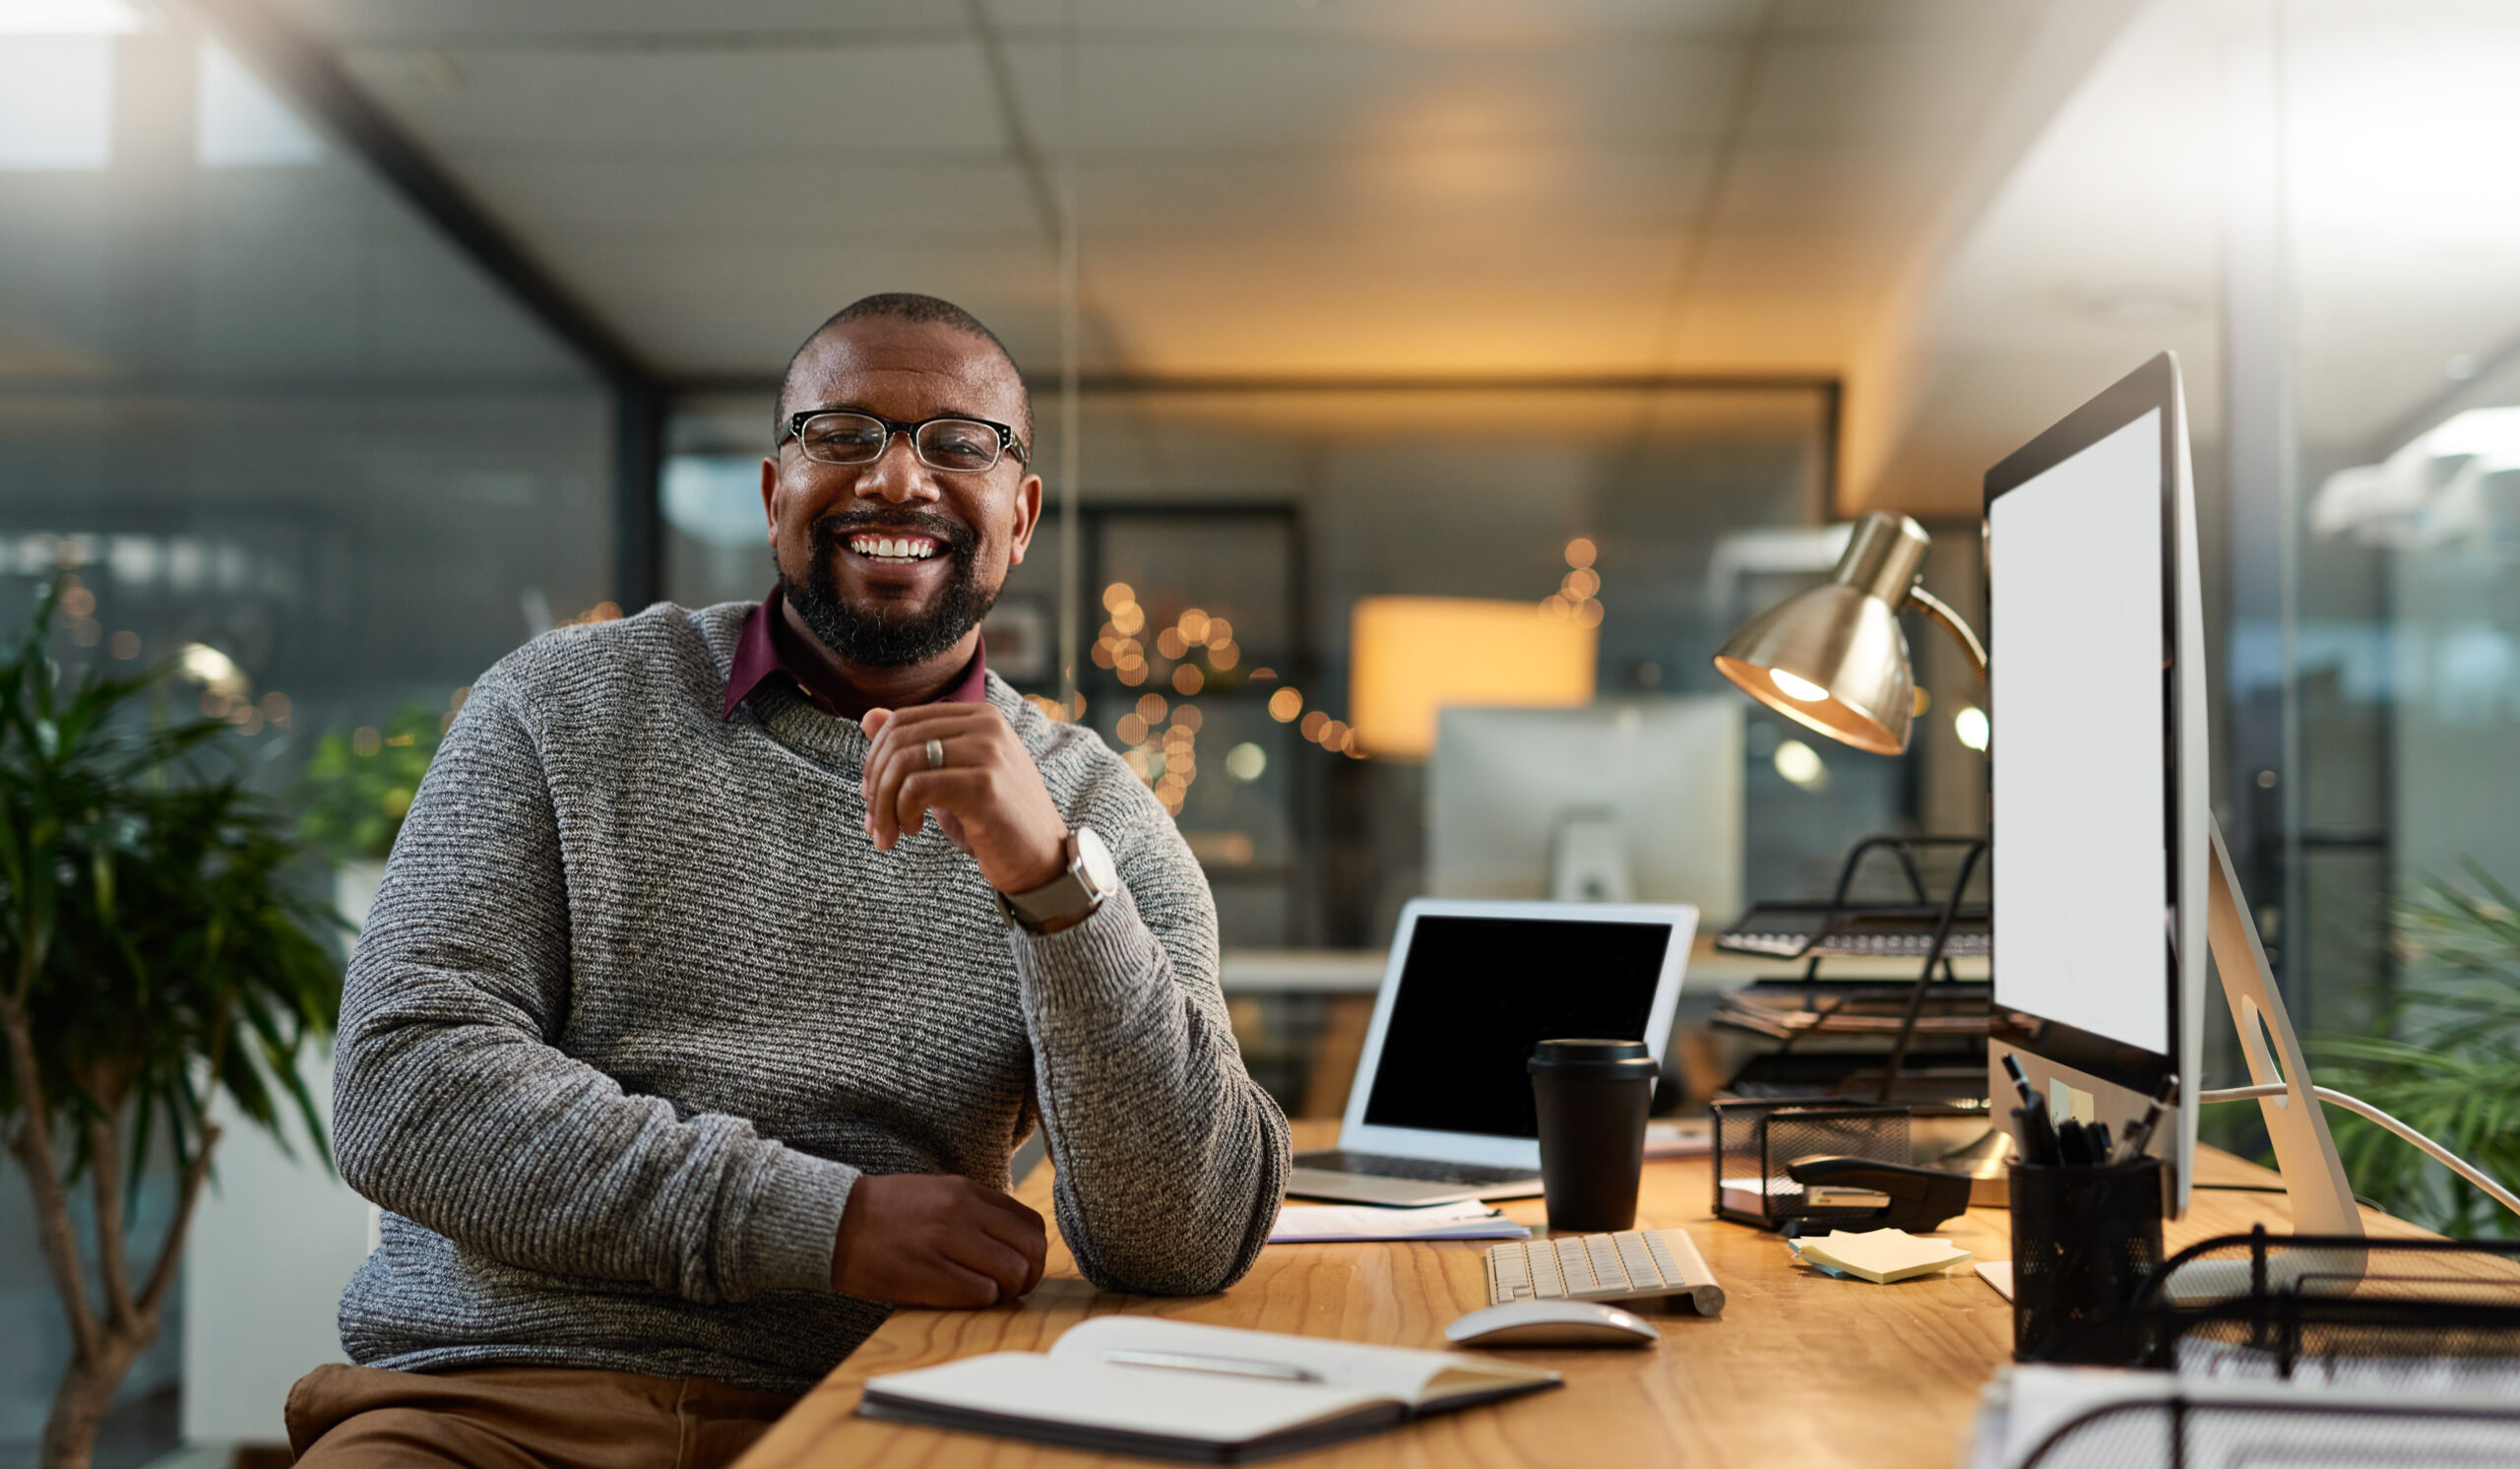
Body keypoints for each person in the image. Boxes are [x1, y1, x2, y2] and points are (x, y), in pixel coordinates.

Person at [286, 293, 1291, 1468]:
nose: (897, 481)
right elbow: (405, 1084)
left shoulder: (1095, 813)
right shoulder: (557, 704)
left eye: (958, 442)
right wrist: (827, 1222)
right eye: (842, 434)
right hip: (498, 1405)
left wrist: (1053, 885)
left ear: (1018, 519)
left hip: (884, 1413)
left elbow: (1186, 1235)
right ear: (776, 498)